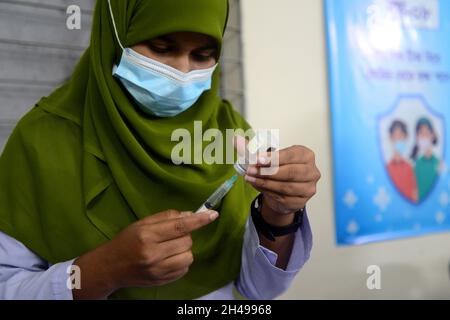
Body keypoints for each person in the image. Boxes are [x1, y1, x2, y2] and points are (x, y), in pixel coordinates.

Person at [0, 0, 320, 300]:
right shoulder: (42, 140)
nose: (182, 71)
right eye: (162, 48)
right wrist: (101, 270)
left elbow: (259, 291)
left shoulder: (228, 133)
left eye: (202, 55)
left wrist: (279, 213)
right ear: (115, 36)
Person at [386, 120, 417, 202]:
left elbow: (415, 195)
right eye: (396, 136)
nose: (398, 139)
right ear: (391, 138)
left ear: (405, 139)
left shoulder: (409, 168)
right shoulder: (386, 169)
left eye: (401, 136)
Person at [410, 117, 440, 201]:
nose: (423, 137)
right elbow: (413, 192)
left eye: (426, 133)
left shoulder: (439, 165)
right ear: (417, 137)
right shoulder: (415, 165)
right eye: (420, 134)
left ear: (432, 135)